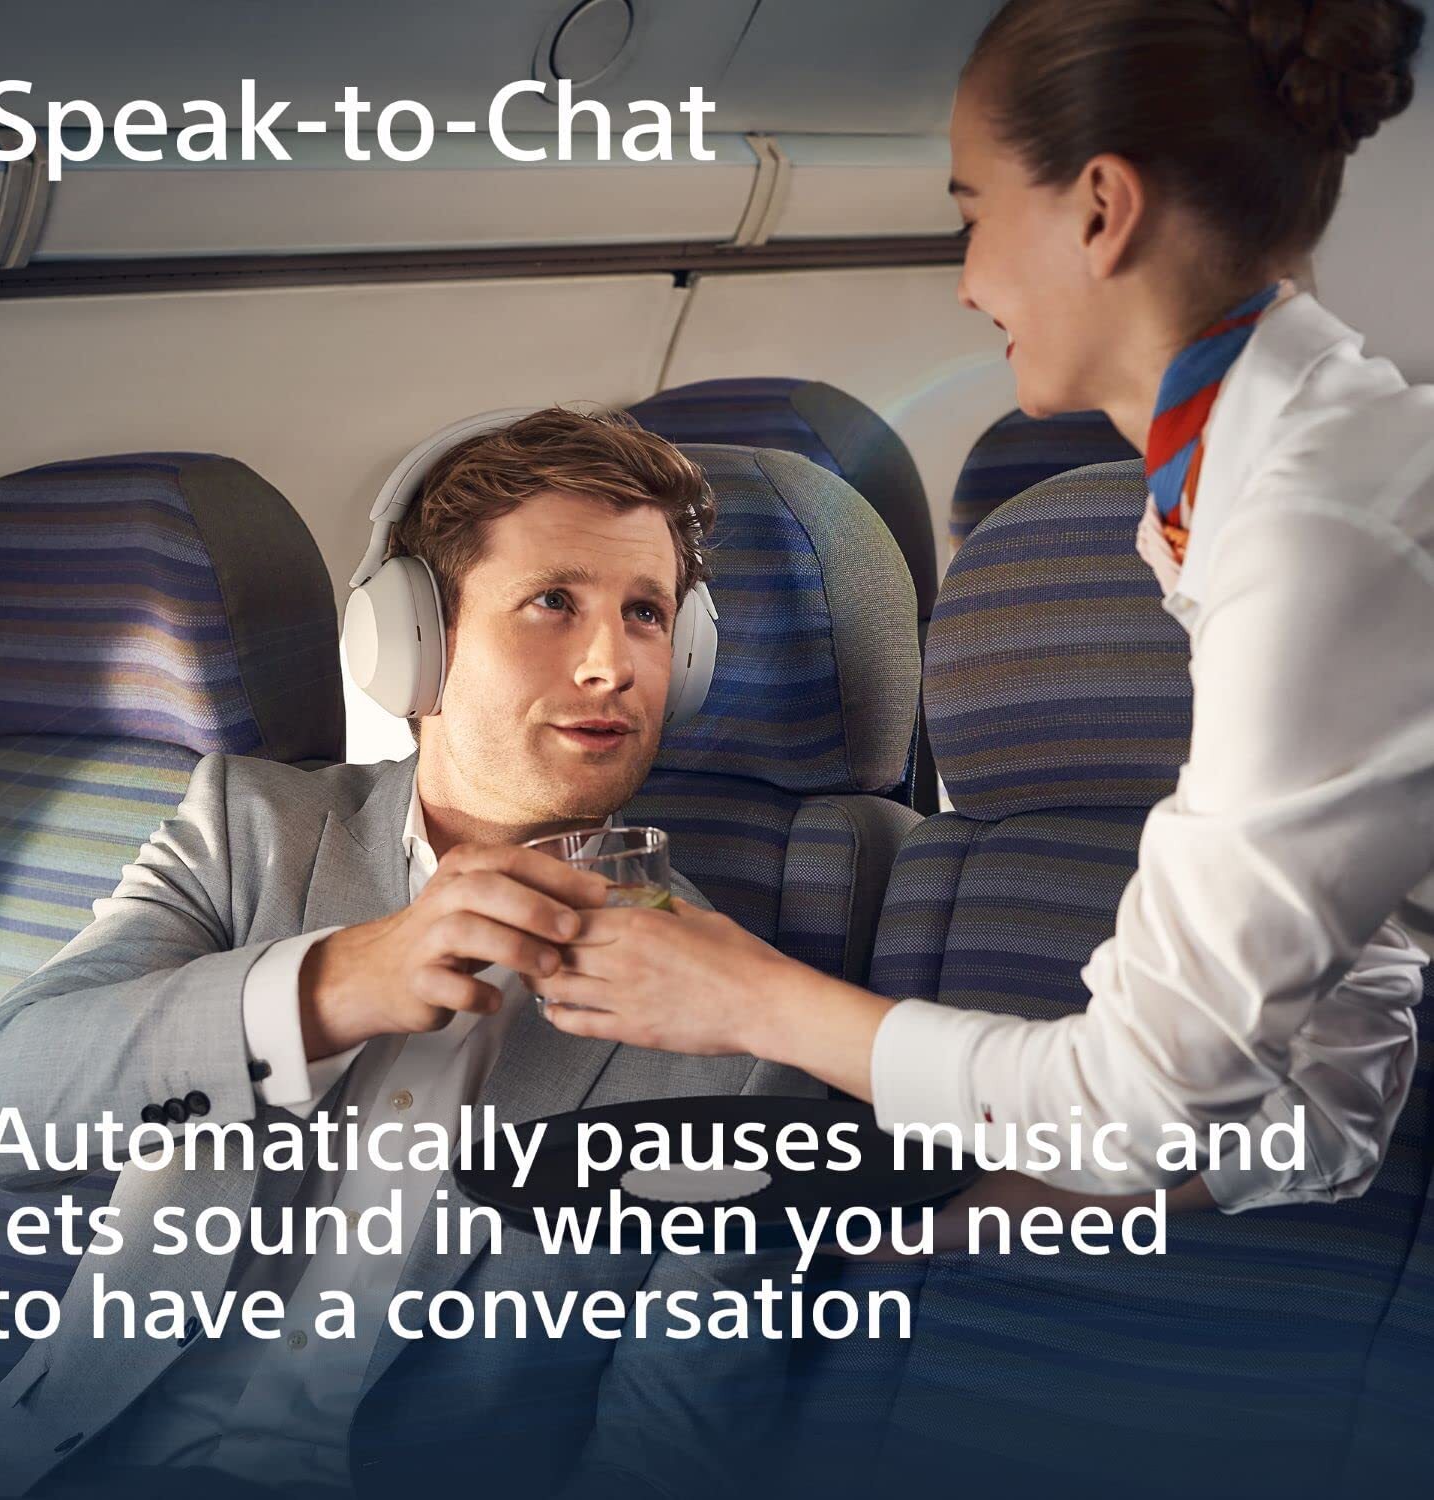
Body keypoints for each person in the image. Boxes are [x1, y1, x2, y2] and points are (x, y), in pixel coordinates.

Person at [535, 0, 1434, 1227]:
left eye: (973, 214)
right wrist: (930, 1226)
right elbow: (1332, 1097)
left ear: (1101, 208)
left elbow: (1139, 1109)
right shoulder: (1234, 503)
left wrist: (749, 998)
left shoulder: (1318, 540)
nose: (967, 284)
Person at [0, 408, 814, 1499]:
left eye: (646, 614)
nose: (611, 665)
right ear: (413, 639)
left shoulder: (740, 1034)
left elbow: (664, 1462)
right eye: (554, 601)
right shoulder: (248, 833)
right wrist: (336, 985)